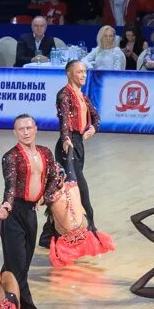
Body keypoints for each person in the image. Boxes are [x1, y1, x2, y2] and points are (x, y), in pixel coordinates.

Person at [0, 114, 62, 309]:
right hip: (13, 214)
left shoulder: (45, 152)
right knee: (17, 270)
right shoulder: (11, 157)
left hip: (31, 214)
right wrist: (6, 205)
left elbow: (55, 176)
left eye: (28, 127)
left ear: (35, 129)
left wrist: (47, 194)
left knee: (18, 267)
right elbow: (10, 186)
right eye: (20, 129)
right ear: (15, 132)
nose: (25, 132)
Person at [39, 60, 101, 248]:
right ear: (69, 73)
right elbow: (64, 118)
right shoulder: (64, 94)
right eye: (79, 72)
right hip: (68, 145)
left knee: (64, 192)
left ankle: (48, 234)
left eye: (84, 72)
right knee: (79, 190)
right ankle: (91, 232)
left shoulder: (83, 96)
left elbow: (96, 116)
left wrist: (94, 128)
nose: (83, 75)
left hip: (78, 144)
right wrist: (66, 138)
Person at [43, 152, 115, 267]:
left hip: (66, 233)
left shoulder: (49, 196)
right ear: (64, 176)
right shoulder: (72, 183)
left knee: (55, 219)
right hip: (84, 226)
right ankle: (95, 237)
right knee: (81, 209)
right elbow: (70, 163)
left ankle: (59, 253)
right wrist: (70, 148)